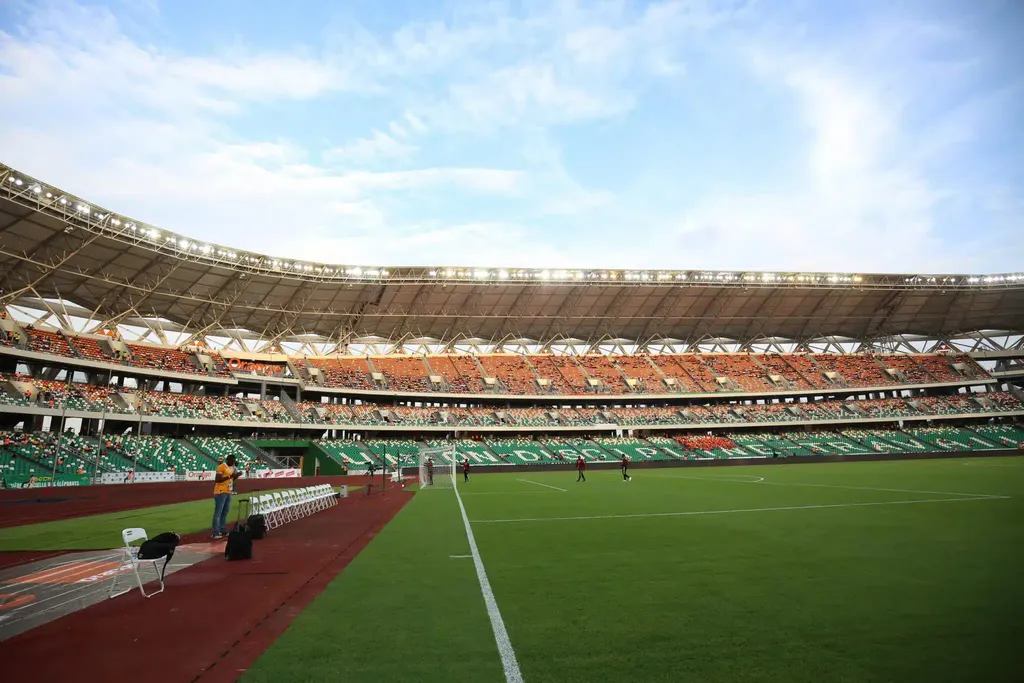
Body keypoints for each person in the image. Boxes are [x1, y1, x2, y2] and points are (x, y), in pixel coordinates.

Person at [212, 454, 241, 539]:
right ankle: (215, 532)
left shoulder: (232, 468)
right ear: (228, 460)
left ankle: (223, 530)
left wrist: (236, 476)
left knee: (225, 512)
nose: (233, 463)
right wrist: (230, 476)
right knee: (218, 512)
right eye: (232, 461)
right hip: (220, 491)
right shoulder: (221, 467)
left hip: (228, 491)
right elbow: (217, 480)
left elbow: (231, 479)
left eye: (234, 461)